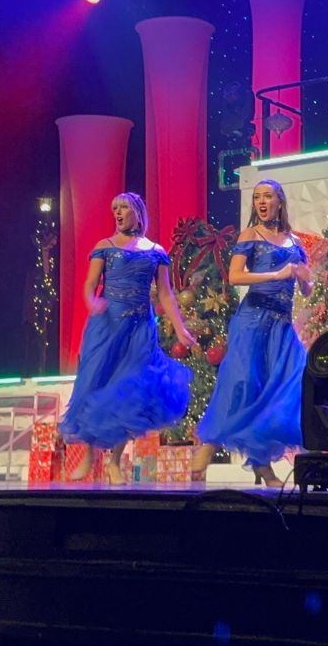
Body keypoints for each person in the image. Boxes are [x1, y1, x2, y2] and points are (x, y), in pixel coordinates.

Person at [59, 193, 195, 483]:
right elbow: (90, 284)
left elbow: (165, 292)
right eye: (114, 209)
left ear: (137, 211)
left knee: (128, 391)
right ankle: (90, 456)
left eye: (123, 208)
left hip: (140, 329)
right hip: (106, 326)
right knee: (98, 386)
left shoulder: (155, 251)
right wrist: (91, 302)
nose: (118, 213)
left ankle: (115, 462)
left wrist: (180, 327)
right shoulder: (104, 247)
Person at [192, 179, 312, 488]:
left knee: (287, 387)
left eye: (267, 196)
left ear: (279, 202)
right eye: (257, 196)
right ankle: (210, 445)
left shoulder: (295, 242)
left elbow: (307, 287)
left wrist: (302, 277)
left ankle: (264, 465)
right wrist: (277, 273)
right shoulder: (250, 235)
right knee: (244, 383)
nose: (261, 201)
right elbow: (235, 276)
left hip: (282, 326)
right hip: (253, 319)